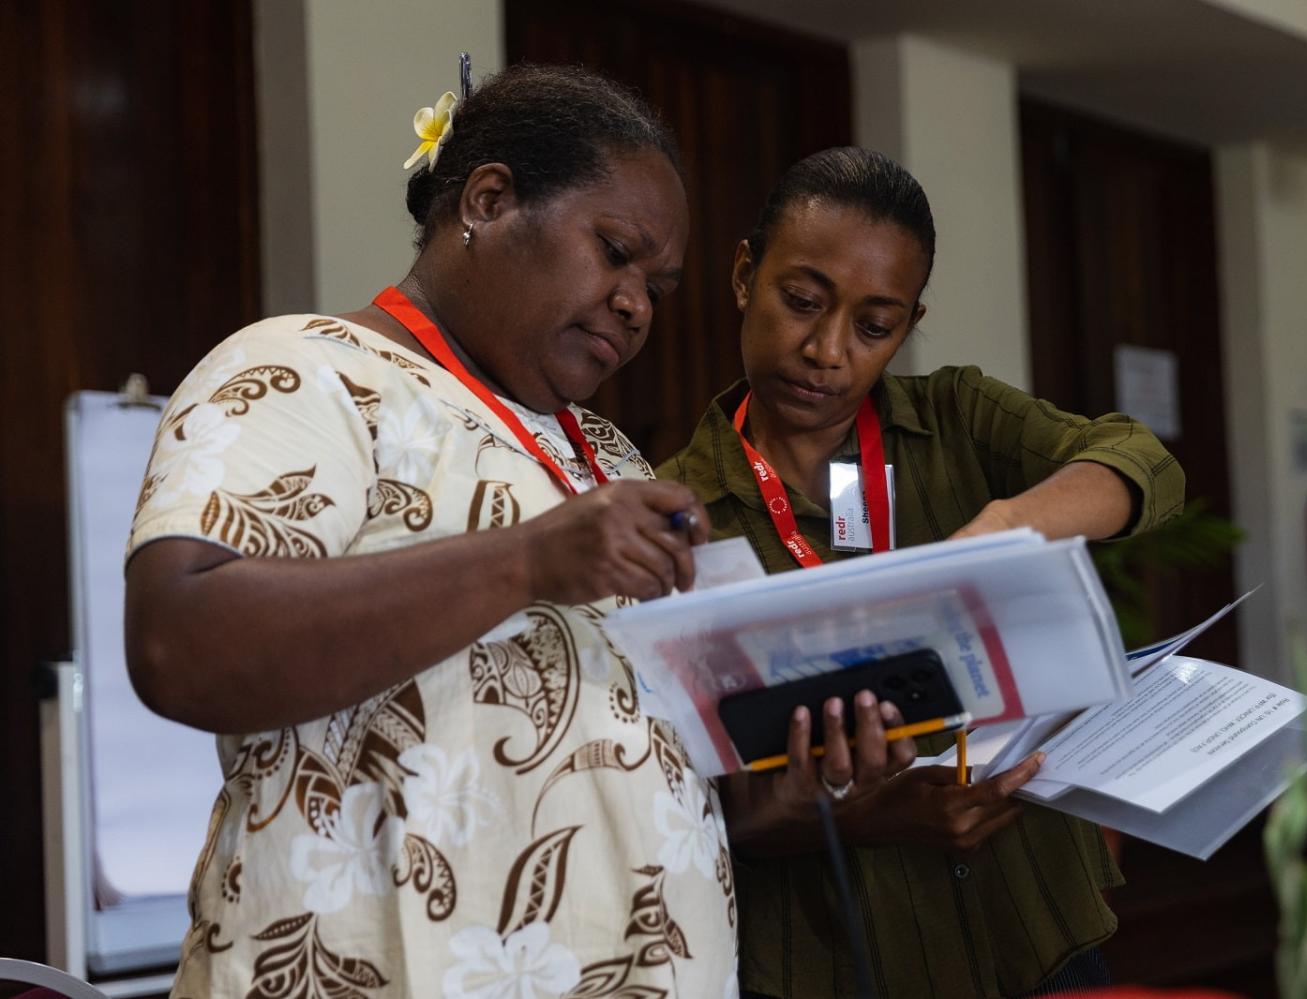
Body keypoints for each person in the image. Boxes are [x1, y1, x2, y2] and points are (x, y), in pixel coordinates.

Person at [124, 67, 903, 999]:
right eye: (614, 252)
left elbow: (623, 784)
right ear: (489, 200)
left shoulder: (614, 461)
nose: (636, 305)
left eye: (657, 286)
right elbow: (178, 639)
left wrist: (792, 786)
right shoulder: (306, 369)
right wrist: (530, 558)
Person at [658, 147, 1187, 997]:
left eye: (875, 326)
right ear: (744, 274)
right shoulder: (677, 511)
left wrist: (1008, 526)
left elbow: (1142, 462)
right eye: (801, 301)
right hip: (837, 960)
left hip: (1037, 931)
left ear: (907, 324)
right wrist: (872, 814)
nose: (828, 350)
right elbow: (707, 812)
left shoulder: (955, 419)